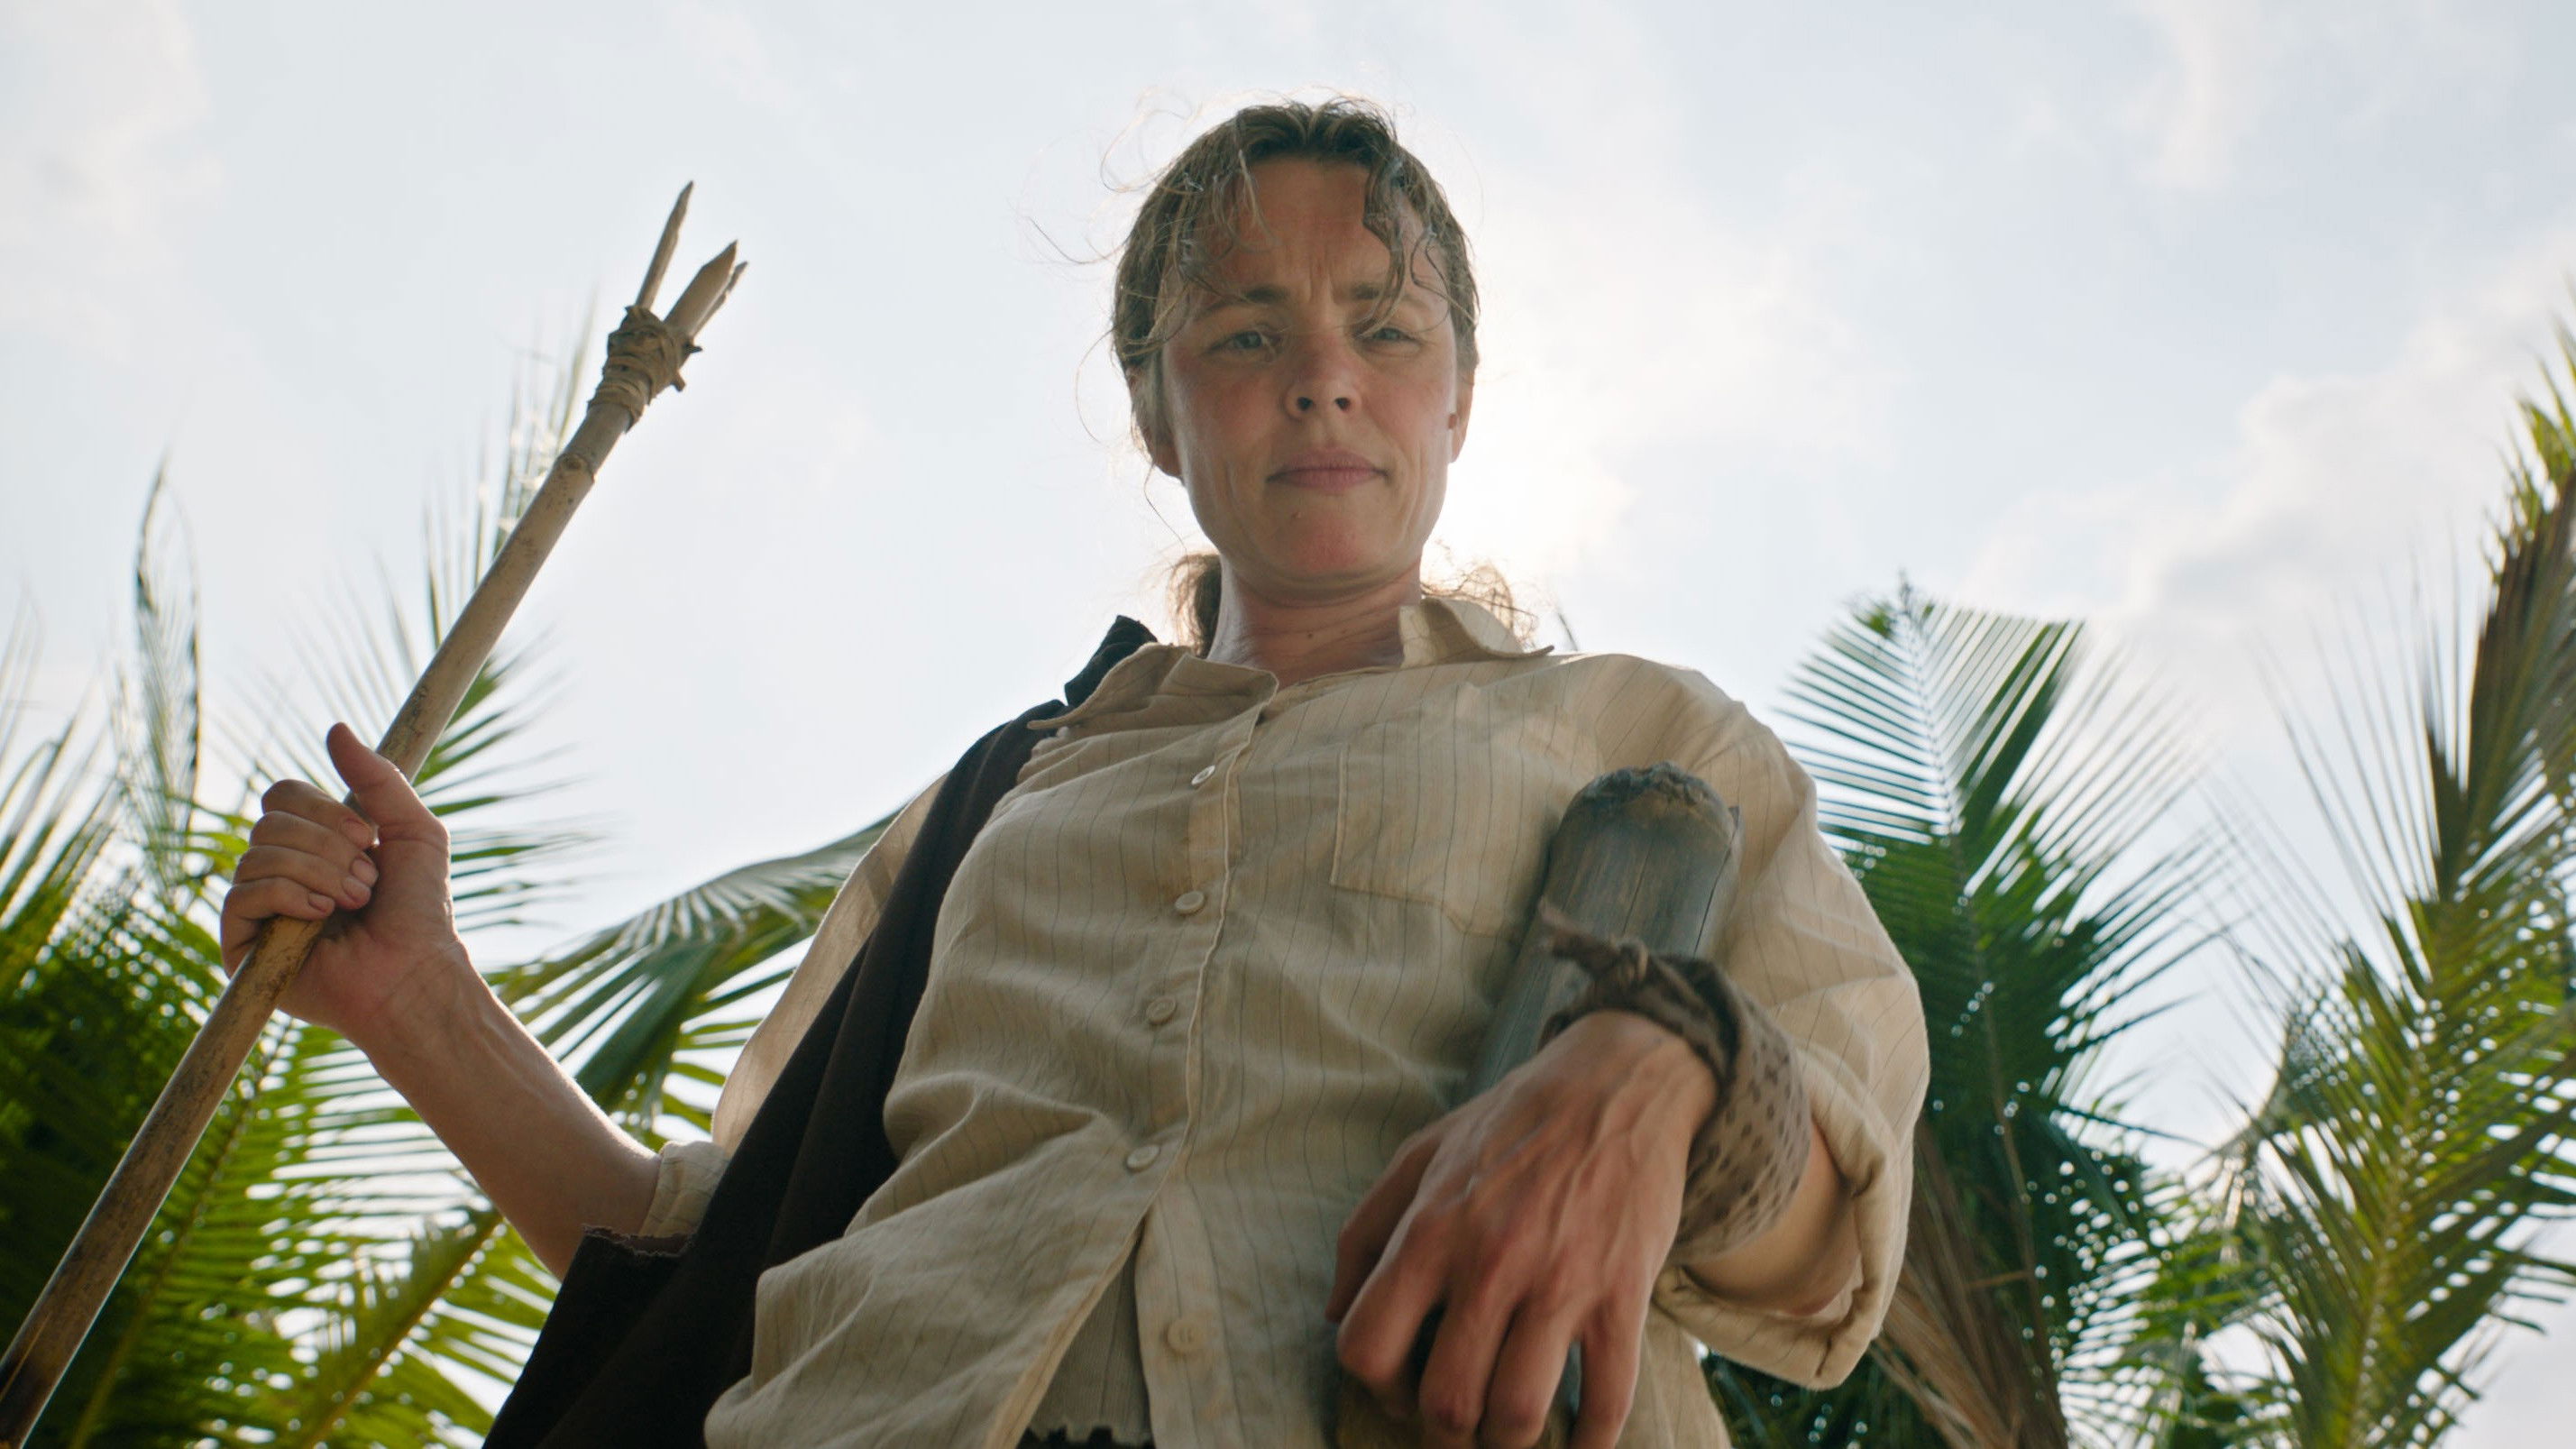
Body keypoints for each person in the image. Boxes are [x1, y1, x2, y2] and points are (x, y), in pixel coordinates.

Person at [222, 97, 1927, 1449]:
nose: (1321, 377)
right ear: (1155, 411)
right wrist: (416, 996)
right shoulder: (995, 803)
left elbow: (1825, 1258)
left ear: (1460, 400)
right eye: (1243, 333)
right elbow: (710, 1253)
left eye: (1385, 329)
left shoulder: (1647, 737)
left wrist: (1667, 1072)